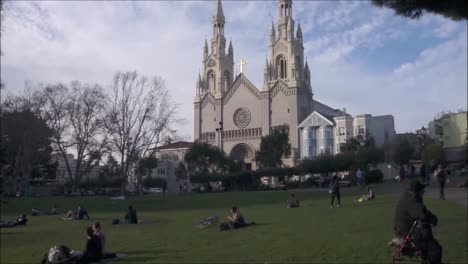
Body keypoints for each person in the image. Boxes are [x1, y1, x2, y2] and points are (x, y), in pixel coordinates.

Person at [394, 180, 442, 264]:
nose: (423, 191)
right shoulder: (412, 199)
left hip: (403, 231)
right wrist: (434, 219)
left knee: (429, 244)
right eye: (422, 190)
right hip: (409, 234)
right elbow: (423, 214)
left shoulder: (405, 197)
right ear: (416, 191)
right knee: (435, 249)